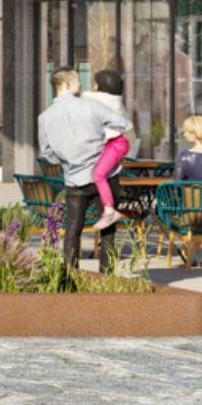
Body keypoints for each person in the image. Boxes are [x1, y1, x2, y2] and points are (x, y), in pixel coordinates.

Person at [38, 69, 129, 269]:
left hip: (74, 178)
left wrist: (67, 161)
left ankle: (70, 275)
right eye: (78, 81)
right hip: (105, 174)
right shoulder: (91, 106)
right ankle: (107, 277)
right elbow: (123, 124)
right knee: (108, 229)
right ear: (68, 85)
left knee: (72, 229)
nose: (81, 85)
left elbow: (47, 153)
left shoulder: (44, 118)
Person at [85, 70, 132, 233]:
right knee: (102, 173)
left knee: (98, 175)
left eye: (94, 83)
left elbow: (83, 97)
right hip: (117, 143)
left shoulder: (98, 98)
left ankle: (109, 211)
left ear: (99, 86)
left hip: (116, 144)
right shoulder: (116, 100)